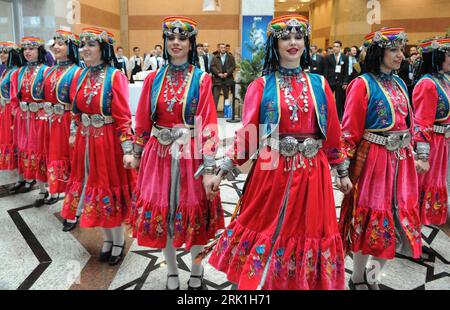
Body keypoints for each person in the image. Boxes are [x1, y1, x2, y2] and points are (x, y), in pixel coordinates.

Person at [207, 14, 349, 290]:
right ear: (275, 44)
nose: (293, 43)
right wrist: (223, 169)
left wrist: (341, 170)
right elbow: (249, 133)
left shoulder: (319, 84)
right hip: (272, 168)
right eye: (286, 38)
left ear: (306, 43)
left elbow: (332, 130)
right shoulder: (261, 86)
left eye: (298, 37)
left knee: (308, 231)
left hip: (313, 172)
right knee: (264, 226)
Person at [126, 16, 224, 291]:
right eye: (171, 38)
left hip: (191, 155)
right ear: (165, 42)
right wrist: (136, 151)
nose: (176, 43)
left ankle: (196, 269)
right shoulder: (154, 79)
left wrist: (208, 169)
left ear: (191, 43)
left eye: (183, 38)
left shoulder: (202, 79)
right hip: (158, 155)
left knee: (194, 218)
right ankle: (170, 271)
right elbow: (143, 119)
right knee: (165, 217)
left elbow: (208, 125)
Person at [338, 28, 422, 290]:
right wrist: (343, 171)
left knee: (397, 221)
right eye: (394, 50)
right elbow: (349, 130)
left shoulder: (399, 83)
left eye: (401, 50)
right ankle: (357, 276)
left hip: (402, 161)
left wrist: (419, 152)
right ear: (379, 52)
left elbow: (411, 122)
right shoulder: (362, 84)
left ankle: (373, 276)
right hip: (374, 162)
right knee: (371, 221)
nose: (400, 56)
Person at [61, 27, 135, 266]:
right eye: (82, 45)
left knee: (107, 189)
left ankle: (118, 241)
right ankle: (106, 239)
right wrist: (75, 132)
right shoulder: (80, 75)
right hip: (86, 141)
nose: (84, 49)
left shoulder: (115, 76)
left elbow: (124, 116)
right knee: (92, 189)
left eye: (90, 45)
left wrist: (127, 148)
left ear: (103, 49)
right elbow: (75, 109)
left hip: (108, 142)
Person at [42, 30, 82, 225]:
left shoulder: (77, 71)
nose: (56, 47)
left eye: (62, 44)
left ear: (71, 47)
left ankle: (75, 209)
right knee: (58, 162)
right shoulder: (49, 70)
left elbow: (77, 105)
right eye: (55, 43)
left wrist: (74, 130)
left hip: (69, 124)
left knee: (72, 165)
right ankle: (69, 204)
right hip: (53, 123)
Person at [412, 37, 450, 227]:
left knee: (435, 183)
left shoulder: (445, 80)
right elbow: (422, 122)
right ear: (437, 56)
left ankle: (421, 226)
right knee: (422, 185)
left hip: (442, 142)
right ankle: (412, 229)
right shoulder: (428, 84)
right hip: (431, 142)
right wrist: (423, 155)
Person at [9, 37, 50, 205]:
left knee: (39, 151)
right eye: (25, 49)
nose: (27, 52)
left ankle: (44, 190)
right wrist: (17, 113)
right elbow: (13, 97)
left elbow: (50, 96)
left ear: (39, 51)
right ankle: (29, 181)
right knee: (25, 149)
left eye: (31, 48)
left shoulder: (47, 71)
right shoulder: (18, 73)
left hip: (39, 118)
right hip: (22, 118)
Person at [0, 42, 22, 171]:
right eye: (1, 52)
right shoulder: (6, 71)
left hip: (12, 111)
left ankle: (26, 178)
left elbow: (16, 96)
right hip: (5, 110)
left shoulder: (15, 72)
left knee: (15, 141)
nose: (2, 55)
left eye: (5, 52)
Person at [324, 40, 348, 120]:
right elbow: (326, 70)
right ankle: (327, 114)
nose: (335, 48)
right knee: (328, 98)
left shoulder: (345, 57)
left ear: (340, 48)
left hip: (340, 81)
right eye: (334, 46)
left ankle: (337, 116)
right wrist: (325, 81)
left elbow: (346, 71)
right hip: (330, 81)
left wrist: (345, 82)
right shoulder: (328, 57)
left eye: (337, 46)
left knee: (339, 100)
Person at [211, 43, 236, 108]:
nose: (223, 49)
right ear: (219, 49)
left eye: (224, 47)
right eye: (221, 48)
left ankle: (226, 112)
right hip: (217, 80)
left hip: (227, 79)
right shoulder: (215, 57)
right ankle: (214, 113)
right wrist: (218, 73)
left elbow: (233, 66)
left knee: (226, 97)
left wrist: (227, 73)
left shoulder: (230, 57)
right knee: (215, 97)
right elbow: (212, 67)